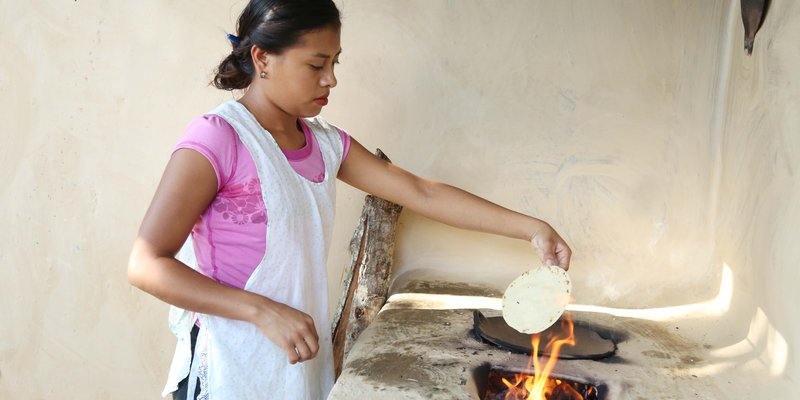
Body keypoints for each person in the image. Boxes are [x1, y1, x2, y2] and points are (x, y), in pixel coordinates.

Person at [126, 0, 572, 399]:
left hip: (296, 370)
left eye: (336, 62)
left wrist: (532, 228)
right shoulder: (220, 138)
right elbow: (147, 264)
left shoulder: (324, 143)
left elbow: (422, 192)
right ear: (262, 58)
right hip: (228, 369)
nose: (331, 79)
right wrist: (260, 310)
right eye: (316, 64)